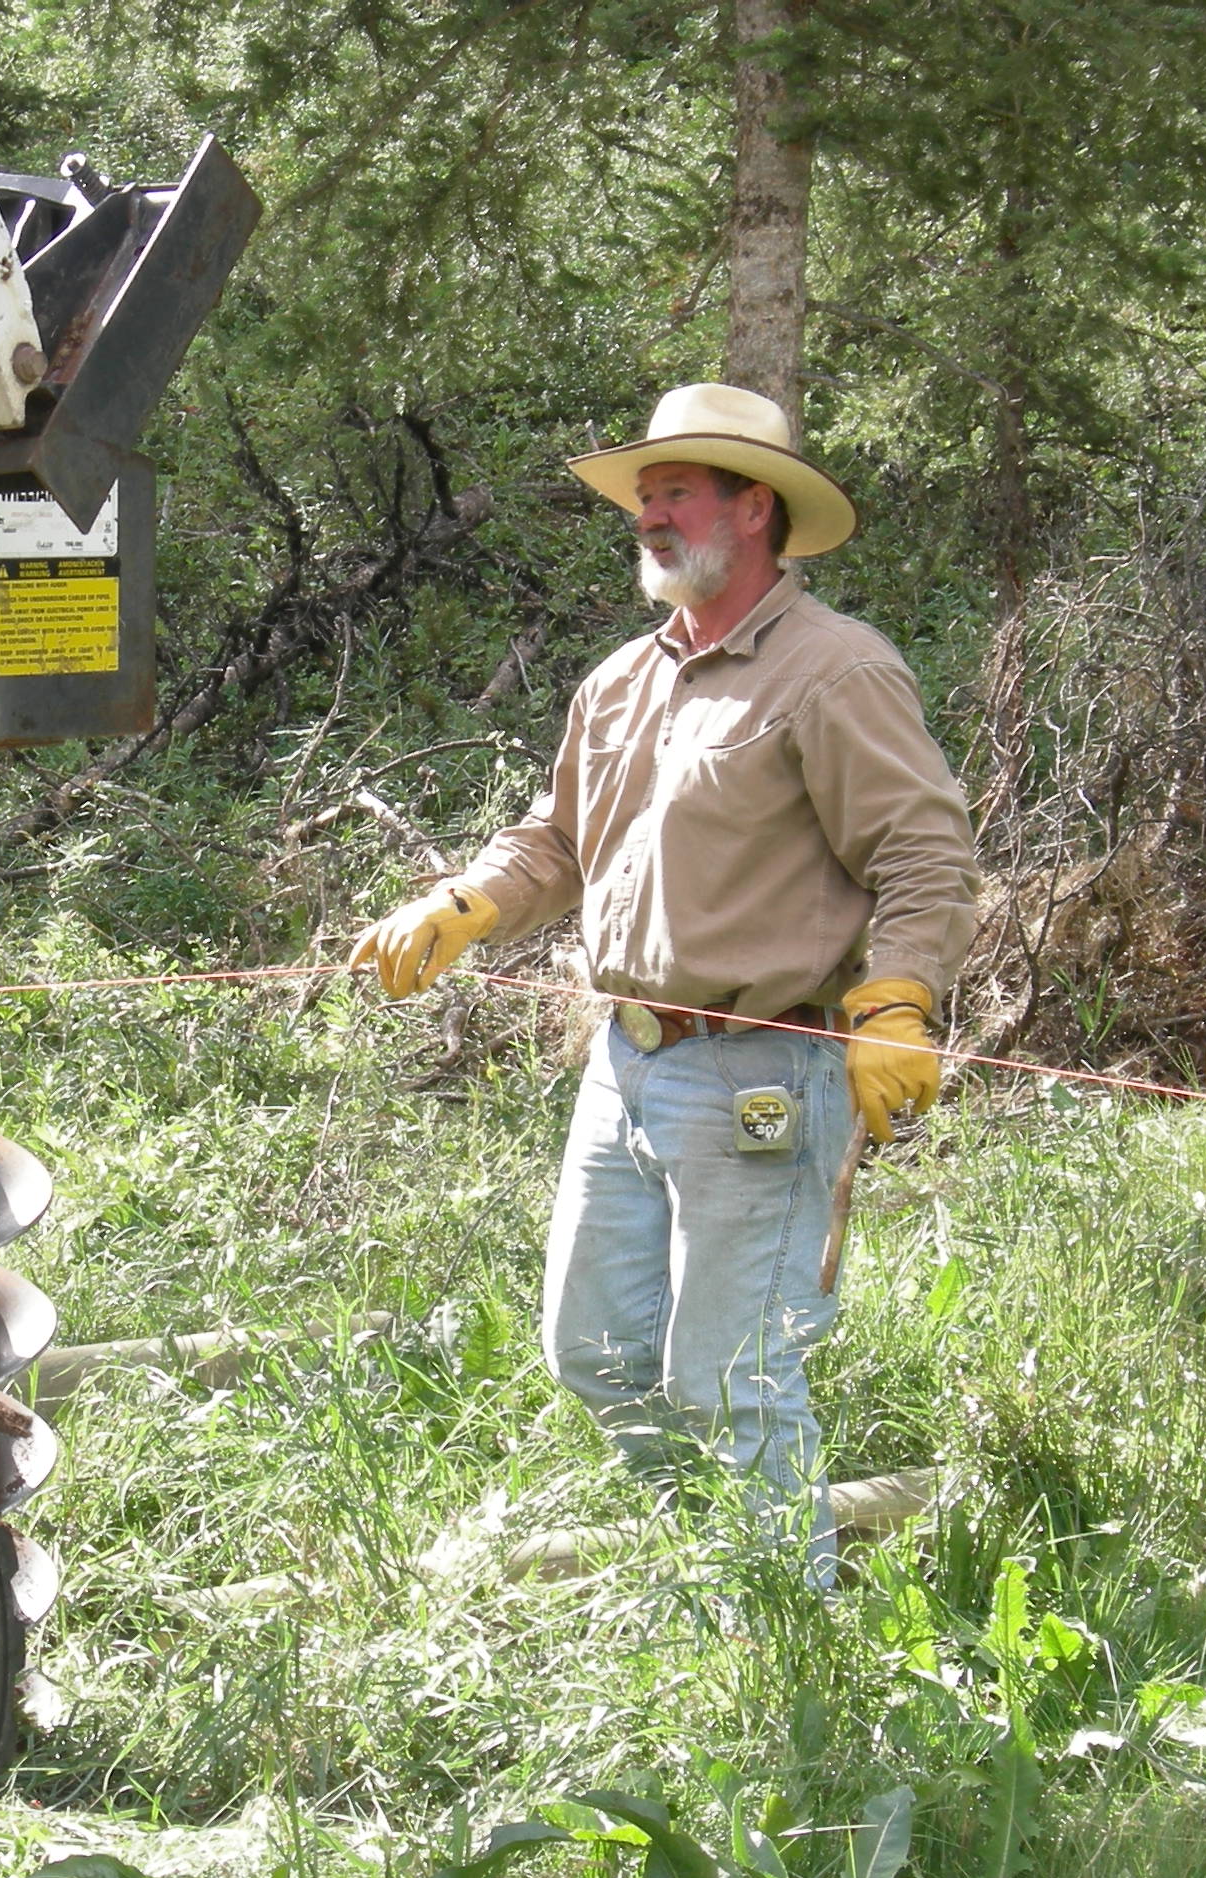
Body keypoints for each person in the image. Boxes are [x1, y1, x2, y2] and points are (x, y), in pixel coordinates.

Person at [348, 383, 981, 1569]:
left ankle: (782, 1628)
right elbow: (558, 843)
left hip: (763, 1072)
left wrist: (899, 999)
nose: (647, 515)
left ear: (754, 509)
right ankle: (718, 1563)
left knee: (732, 1379)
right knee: (592, 1353)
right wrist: (466, 902)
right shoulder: (621, 681)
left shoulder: (835, 671)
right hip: (624, 1064)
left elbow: (925, 856)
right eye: (643, 496)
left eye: (675, 491)